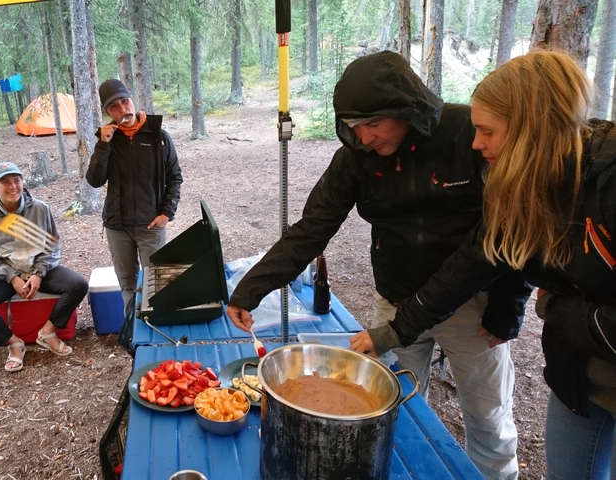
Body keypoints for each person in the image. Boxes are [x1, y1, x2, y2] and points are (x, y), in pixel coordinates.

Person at [225, 51, 530, 479]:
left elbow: (510, 233)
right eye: (353, 126)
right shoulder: (357, 157)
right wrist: (249, 289)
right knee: (392, 406)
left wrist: (507, 309)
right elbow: (312, 228)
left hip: (471, 304)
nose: (363, 137)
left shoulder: (470, 136)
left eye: (373, 123)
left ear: (407, 109)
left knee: (487, 415)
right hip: (397, 299)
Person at [351, 50, 616, 480]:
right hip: (579, 374)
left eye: (487, 131)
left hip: (593, 349)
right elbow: (474, 261)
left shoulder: (606, 179)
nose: (475, 144)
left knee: (491, 424)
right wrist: (396, 331)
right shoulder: (526, 185)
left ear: (533, 129)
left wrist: (555, 311)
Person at [0, 162, 88, 371]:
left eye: (16, 180)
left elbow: (51, 246)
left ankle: (47, 332)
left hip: (38, 269)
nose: (12, 186)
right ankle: (14, 342)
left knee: (78, 284)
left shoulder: (40, 208)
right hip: (4, 274)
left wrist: (39, 274)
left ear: (23, 182)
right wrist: (12, 278)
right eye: (4, 182)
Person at [86, 79, 183, 320]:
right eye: (114, 106)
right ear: (108, 112)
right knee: (128, 283)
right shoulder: (108, 139)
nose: (122, 109)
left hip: (151, 225)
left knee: (156, 282)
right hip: (118, 227)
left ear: (132, 100)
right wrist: (103, 144)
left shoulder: (158, 136)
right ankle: (133, 330)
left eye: (124, 101)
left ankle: (158, 326)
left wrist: (166, 213)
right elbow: (95, 180)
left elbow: (175, 178)